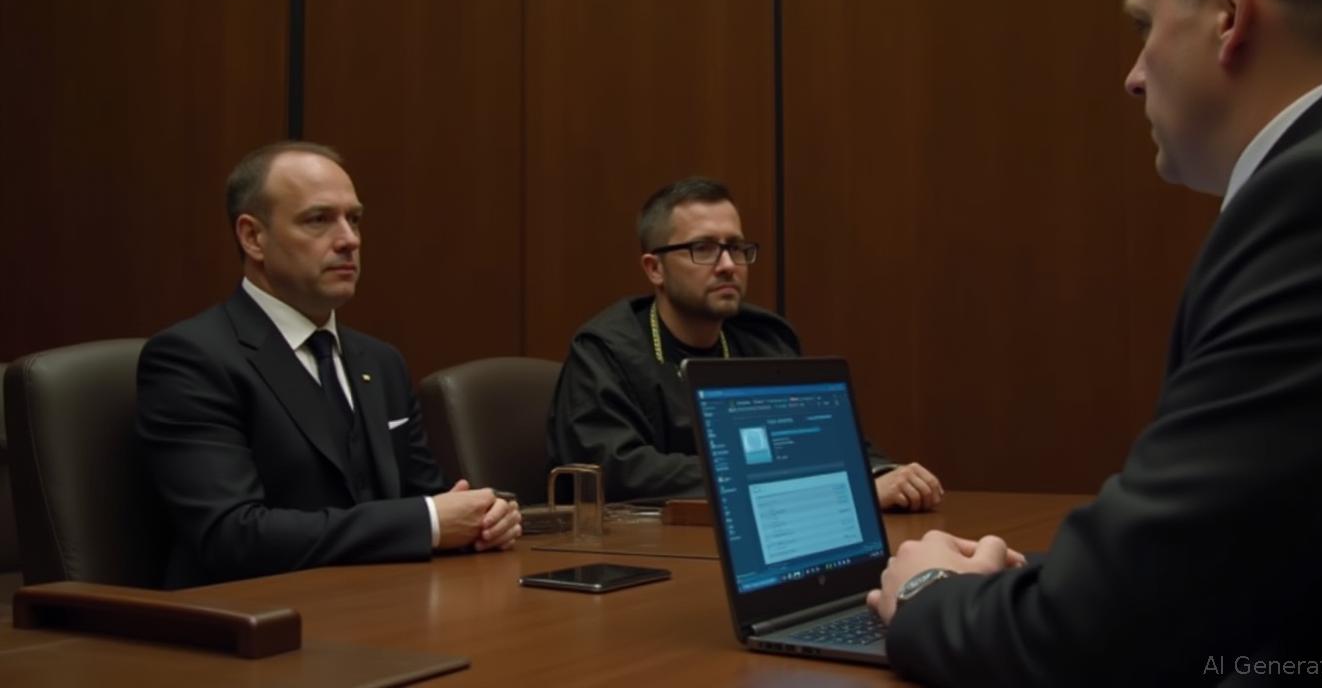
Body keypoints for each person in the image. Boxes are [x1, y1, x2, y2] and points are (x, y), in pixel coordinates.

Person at [868, 0, 1322, 684]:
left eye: (1144, 25)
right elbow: (1270, 558)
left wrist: (929, 592)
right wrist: (1043, 586)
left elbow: (1112, 636)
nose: (1134, 77)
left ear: (1231, 13)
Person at [138, 142, 522, 588]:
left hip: (385, 603)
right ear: (253, 237)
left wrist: (484, 519)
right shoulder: (192, 358)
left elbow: (429, 499)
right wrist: (430, 522)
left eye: (353, 219)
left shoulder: (381, 361)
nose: (349, 240)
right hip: (257, 616)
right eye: (318, 220)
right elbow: (231, 536)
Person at [548, 178, 944, 510]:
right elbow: (616, 472)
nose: (727, 265)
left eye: (736, 247)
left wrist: (879, 472)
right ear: (655, 269)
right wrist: (782, 476)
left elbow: (826, 435)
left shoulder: (765, 339)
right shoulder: (605, 351)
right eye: (703, 249)